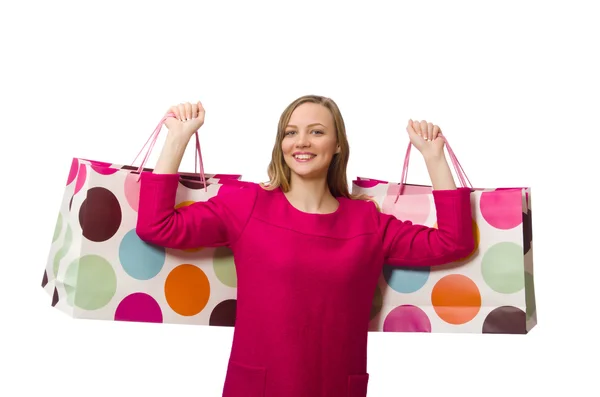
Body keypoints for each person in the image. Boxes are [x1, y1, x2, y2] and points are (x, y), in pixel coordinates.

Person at [136, 95, 474, 397]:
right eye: (290, 132)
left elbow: (454, 242)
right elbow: (157, 226)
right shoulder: (247, 205)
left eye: (316, 131)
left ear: (338, 144)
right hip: (258, 389)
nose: (301, 142)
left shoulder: (368, 221)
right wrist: (177, 138)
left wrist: (434, 157)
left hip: (336, 388)